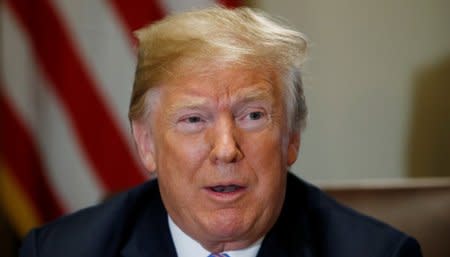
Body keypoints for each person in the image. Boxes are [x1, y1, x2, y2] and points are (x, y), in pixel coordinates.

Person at [20, 7, 422, 257]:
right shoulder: (60, 251)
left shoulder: (379, 253)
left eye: (252, 116)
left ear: (292, 138)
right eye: (194, 120)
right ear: (146, 143)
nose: (226, 150)